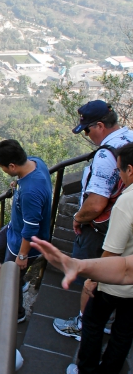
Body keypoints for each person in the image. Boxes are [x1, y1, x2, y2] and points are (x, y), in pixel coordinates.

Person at [31, 142, 133, 374]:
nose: (118, 177)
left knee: (92, 324)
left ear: (130, 170)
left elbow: (112, 253)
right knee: (123, 333)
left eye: (119, 171)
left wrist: (91, 277)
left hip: (115, 282)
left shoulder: (126, 203)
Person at [53, 100, 133, 341]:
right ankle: (106, 320)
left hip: (100, 228)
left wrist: (79, 218)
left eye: (88, 130)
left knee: (92, 276)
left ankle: (82, 323)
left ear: (100, 125)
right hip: (122, 223)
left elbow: (96, 203)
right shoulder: (128, 137)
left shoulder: (107, 156)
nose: (87, 135)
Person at [0, 140, 52, 322]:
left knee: (10, 278)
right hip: (14, 229)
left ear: (12, 165)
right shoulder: (35, 162)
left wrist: (22, 255)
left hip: (24, 242)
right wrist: (17, 184)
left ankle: (16, 313)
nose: (2, 170)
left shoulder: (31, 192)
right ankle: (21, 280)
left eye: (3, 167)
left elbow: (31, 229)